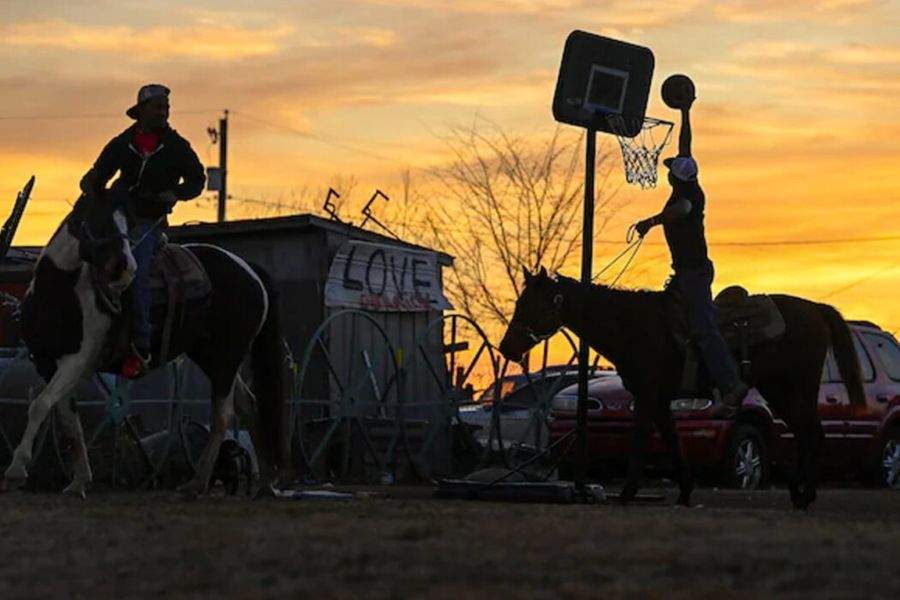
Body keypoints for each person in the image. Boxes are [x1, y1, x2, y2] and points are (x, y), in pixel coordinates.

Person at [632, 91, 749, 418]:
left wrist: (651, 221)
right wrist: (685, 112)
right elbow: (686, 145)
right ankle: (685, 379)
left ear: (674, 176)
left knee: (702, 326)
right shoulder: (689, 182)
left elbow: (680, 211)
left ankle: (731, 385)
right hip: (687, 271)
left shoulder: (686, 197)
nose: (668, 170)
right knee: (671, 320)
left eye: (670, 169)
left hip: (694, 271)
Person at [80, 84, 205, 376]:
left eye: (166, 107)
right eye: (158, 107)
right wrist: (92, 183)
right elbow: (99, 173)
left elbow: (197, 181)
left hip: (148, 222)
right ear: (141, 112)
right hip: (118, 215)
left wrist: (176, 193)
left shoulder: (177, 147)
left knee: (135, 269)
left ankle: (140, 346)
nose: (164, 112)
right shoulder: (122, 143)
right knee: (80, 252)